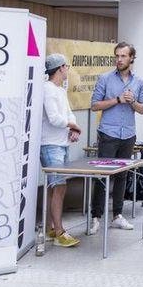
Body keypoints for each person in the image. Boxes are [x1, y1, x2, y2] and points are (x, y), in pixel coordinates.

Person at [88, 42, 143, 235]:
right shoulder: (105, 78)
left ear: (131, 58)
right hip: (108, 133)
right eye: (117, 56)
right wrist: (118, 100)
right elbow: (95, 105)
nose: (119, 59)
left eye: (123, 56)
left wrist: (132, 102)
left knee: (122, 174)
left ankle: (117, 215)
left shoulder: (139, 82)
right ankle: (96, 217)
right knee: (102, 175)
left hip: (128, 133)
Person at [40, 54, 83, 247]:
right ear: (59, 69)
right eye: (66, 66)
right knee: (58, 186)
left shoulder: (60, 90)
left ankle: (51, 227)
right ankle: (59, 231)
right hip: (50, 144)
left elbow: (68, 113)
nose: (68, 69)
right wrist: (72, 126)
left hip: (61, 143)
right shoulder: (47, 90)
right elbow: (54, 118)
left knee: (55, 187)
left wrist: (73, 127)